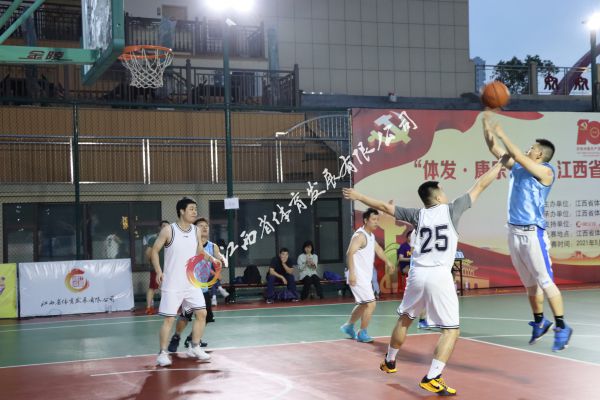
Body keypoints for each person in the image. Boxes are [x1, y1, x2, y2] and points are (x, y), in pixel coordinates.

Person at [343, 157, 506, 396]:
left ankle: (389, 361)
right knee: (451, 331)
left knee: (405, 319)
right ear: (438, 196)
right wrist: (501, 163)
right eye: (443, 190)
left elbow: (384, 206)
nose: (445, 194)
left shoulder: (417, 215)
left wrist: (359, 196)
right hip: (439, 276)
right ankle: (433, 377)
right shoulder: (453, 209)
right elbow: (480, 184)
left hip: (417, 274)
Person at [483, 112, 572, 352]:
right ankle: (540, 321)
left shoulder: (546, 171)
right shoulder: (518, 168)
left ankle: (562, 326)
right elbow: (494, 149)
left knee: (545, 281)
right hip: (513, 233)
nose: (528, 149)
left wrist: (503, 133)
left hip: (533, 234)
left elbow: (518, 156)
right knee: (530, 284)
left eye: (532, 148)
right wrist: (486, 127)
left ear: (540, 154)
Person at [151, 197, 221, 367]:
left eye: (195, 209)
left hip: (191, 282)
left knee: (202, 313)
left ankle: (194, 347)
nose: (195, 212)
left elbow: (199, 250)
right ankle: (162, 353)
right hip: (172, 283)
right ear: (181, 211)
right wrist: (159, 271)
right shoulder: (169, 230)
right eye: (191, 209)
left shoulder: (196, 230)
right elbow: (154, 251)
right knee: (169, 319)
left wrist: (212, 258)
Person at [167, 217, 228, 352]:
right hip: (190, 287)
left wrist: (222, 260)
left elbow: (218, 256)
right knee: (185, 316)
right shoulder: (190, 244)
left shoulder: (213, 246)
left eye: (206, 226)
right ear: (195, 229)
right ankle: (176, 337)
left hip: (203, 288)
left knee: (205, 317)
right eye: (201, 226)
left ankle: (193, 338)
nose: (205, 228)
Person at [340, 208, 395, 343]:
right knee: (371, 304)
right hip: (357, 275)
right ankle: (362, 332)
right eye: (373, 219)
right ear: (365, 220)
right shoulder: (360, 236)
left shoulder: (370, 236)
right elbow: (349, 253)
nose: (376, 222)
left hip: (364, 276)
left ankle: (348, 326)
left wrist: (388, 262)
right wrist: (352, 274)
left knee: (364, 304)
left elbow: (378, 249)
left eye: (377, 220)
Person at [396, 229, 428, 329]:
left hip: (419, 273)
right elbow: (401, 259)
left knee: (424, 297)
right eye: (410, 236)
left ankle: (422, 320)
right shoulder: (405, 247)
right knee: (417, 298)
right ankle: (417, 319)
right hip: (411, 271)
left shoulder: (422, 246)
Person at [144, 220, 170, 315]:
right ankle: (149, 308)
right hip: (156, 268)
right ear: (160, 227)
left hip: (168, 268)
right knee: (153, 287)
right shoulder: (154, 238)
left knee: (167, 288)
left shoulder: (170, 239)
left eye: (167, 226)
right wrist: (153, 263)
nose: (165, 227)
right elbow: (148, 253)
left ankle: (167, 307)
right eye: (163, 226)